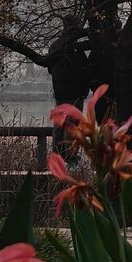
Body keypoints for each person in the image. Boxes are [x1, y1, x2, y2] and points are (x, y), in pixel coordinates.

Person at [46, 14, 91, 161]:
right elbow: (82, 70)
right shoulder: (74, 48)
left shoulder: (55, 46)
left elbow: (50, 68)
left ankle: (57, 153)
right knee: (72, 124)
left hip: (59, 91)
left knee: (60, 123)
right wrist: (85, 85)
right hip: (74, 91)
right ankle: (70, 156)